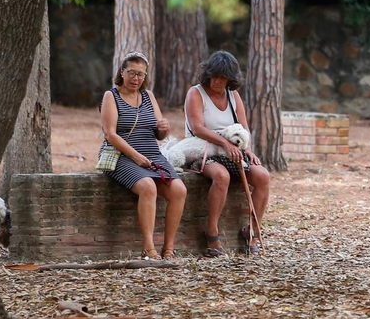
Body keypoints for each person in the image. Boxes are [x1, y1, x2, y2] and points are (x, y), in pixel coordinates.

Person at [184, 50, 271, 256]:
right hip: (202, 149)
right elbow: (197, 128)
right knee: (221, 176)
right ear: (208, 74)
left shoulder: (233, 96)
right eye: (215, 76)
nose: (217, 82)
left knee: (263, 176)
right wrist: (225, 143)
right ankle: (212, 232)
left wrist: (247, 150)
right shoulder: (195, 93)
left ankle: (251, 230)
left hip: (231, 150)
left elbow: (243, 128)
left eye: (223, 78)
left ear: (230, 79)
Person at [101, 52, 187, 259]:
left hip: (152, 154)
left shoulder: (148, 96)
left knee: (179, 190)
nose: (136, 79)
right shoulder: (111, 96)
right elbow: (110, 134)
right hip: (122, 155)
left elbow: (159, 133)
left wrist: (164, 128)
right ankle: (149, 248)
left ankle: (169, 248)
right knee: (148, 186)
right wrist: (136, 156)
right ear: (122, 72)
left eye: (140, 74)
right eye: (131, 73)